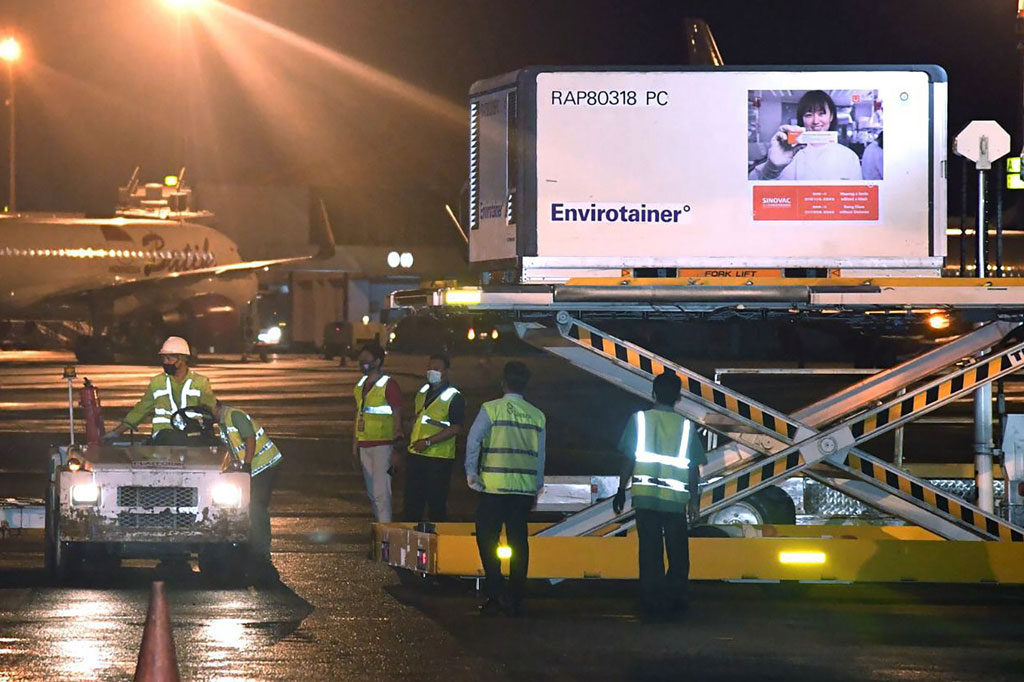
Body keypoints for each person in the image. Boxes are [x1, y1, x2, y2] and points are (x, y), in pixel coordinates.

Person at [613, 370, 707, 618]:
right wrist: (694, 501)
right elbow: (692, 469)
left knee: (649, 551)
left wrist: (621, 490)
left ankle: (651, 603)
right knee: (678, 553)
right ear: (678, 397)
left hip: (645, 497)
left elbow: (628, 458)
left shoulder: (639, 420)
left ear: (653, 393)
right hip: (675, 501)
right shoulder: (686, 427)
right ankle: (675, 600)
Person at [465, 361, 546, 617]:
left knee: (487, 538)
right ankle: (516, 596)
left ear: (503, 382)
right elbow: (540, 456)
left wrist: (471, 472)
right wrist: (536, 487)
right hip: (522, 489)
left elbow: (473, 440)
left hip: (494, 487)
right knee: (519, 542)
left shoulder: (491, 409)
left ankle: (496, 590)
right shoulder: (537, 415)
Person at [214, 400, 283, 585]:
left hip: (265, 464)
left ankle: (261, 552)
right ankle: (252, 548)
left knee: (256, 506)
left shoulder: (234, 415)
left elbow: (250, 439)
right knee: (247, 505)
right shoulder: (222, 423)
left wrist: (247, 465)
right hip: (254, 467)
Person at [103, 336, 216, 442]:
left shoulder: (200, 382)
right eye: (163, 358)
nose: (165, 362)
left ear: (182, 358)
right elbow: (140, 410)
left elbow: (213, 410)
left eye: (169, 358)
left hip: (192, 435)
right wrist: (116, 432)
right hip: (163, 435)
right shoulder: (157, 383)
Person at [748, 90, 863, 181]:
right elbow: (751, 187)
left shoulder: (848, 157)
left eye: (821, 114)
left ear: (831, 116)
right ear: (801, 119)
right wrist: (772, 168)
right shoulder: (786, 152)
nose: (816, 121)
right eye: (808, 115)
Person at [404, 353, 465, 522]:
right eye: (430, 368)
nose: (432, 371)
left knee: (436, 506)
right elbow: (421, 417)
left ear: (447, 371)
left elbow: (456, 428)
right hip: (416, 455)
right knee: (412, 505)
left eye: (437, 368)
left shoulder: (454, 397)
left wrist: (429, 442)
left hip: (438, 459)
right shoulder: (423, 392)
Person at [353, 342, 403, 523]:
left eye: (367, 359)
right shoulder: (360, 385)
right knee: (372, 493)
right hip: (365, 444)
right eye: (361, 360)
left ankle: (386, 534)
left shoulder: (389, 385)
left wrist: (397, 447)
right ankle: (381, 531)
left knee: (381, 492)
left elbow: (397, 415)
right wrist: (355, 443)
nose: (363, 363)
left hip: (383, 445)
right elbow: (359, 415)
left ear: (378, 361)